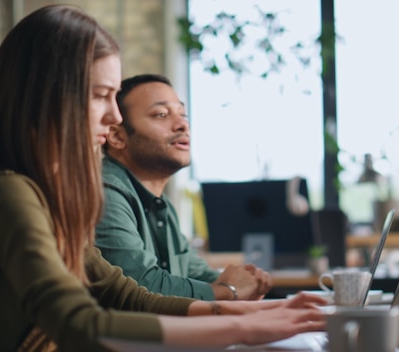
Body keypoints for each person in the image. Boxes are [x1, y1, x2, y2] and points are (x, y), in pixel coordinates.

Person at [0, 5, 326, 351]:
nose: (114, 116)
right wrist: (244, 325)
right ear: (51, 98)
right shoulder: (6, 193)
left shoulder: (48, 198)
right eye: (101, 95)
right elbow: (80, 324)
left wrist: (271, 310)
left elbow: (124, 294)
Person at [96, 73, 271, 300]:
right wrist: (230, 291)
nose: (182, 125)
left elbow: (196, 273)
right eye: (161, 115)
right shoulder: (105, 191)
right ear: (117, 136)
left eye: (183, 114)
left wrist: (246, 281)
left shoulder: (162, 205)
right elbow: (141, 286)